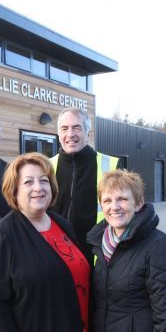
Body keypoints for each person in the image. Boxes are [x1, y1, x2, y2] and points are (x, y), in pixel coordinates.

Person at [0, 152, 90, 332]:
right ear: (14, 190)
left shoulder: (63, 225)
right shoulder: (1, 235)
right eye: (28, 182)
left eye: (43, 180)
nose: (38, 188)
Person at [86, 170, 166, 332]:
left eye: (122, 199)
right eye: (107, 201)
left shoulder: (159, 247)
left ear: (138, 204)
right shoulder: (100, 245)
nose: (114, 207)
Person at [50, 108, 120, 263]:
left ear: (88, 133)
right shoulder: (46, 167)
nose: (70, 134)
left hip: (97, 260)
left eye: (77, 128)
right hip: (54, 258)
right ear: (58, 134)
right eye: (64, 128)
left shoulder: (111, 167)